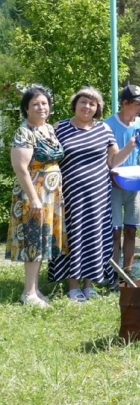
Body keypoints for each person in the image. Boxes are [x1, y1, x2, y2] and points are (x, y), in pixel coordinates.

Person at [49, 87, 137, 301]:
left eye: (92, 103)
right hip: (69, 195)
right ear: (75, 104)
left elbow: (113, 161)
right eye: (83, 102)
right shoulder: (59, 128)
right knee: (73, 236)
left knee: (94, 237)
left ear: (97, 108)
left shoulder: (104, 129)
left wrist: (131, 146)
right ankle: (72, 286)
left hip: (98, 195)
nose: (87, 106)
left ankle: (89, 284)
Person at [8, 86, 66, 307]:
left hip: (49, 194)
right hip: (33, 192)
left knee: (41, 240)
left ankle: (34, 289)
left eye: (44, 103)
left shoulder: (49, 128)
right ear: (26, 108)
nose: (41, 107)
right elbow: (20, 168)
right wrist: (34, 198)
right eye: (35, 104)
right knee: (32, 240)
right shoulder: (25, 131)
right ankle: (28, 293)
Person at [104, 85, 140, 280]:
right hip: (112, 184)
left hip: (136, 185)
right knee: (115, 231)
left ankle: (128, 272)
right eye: (137, 103)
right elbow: (108, 159)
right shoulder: (107, 125)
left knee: (131, 229)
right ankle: (113, 271)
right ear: (125, 103)